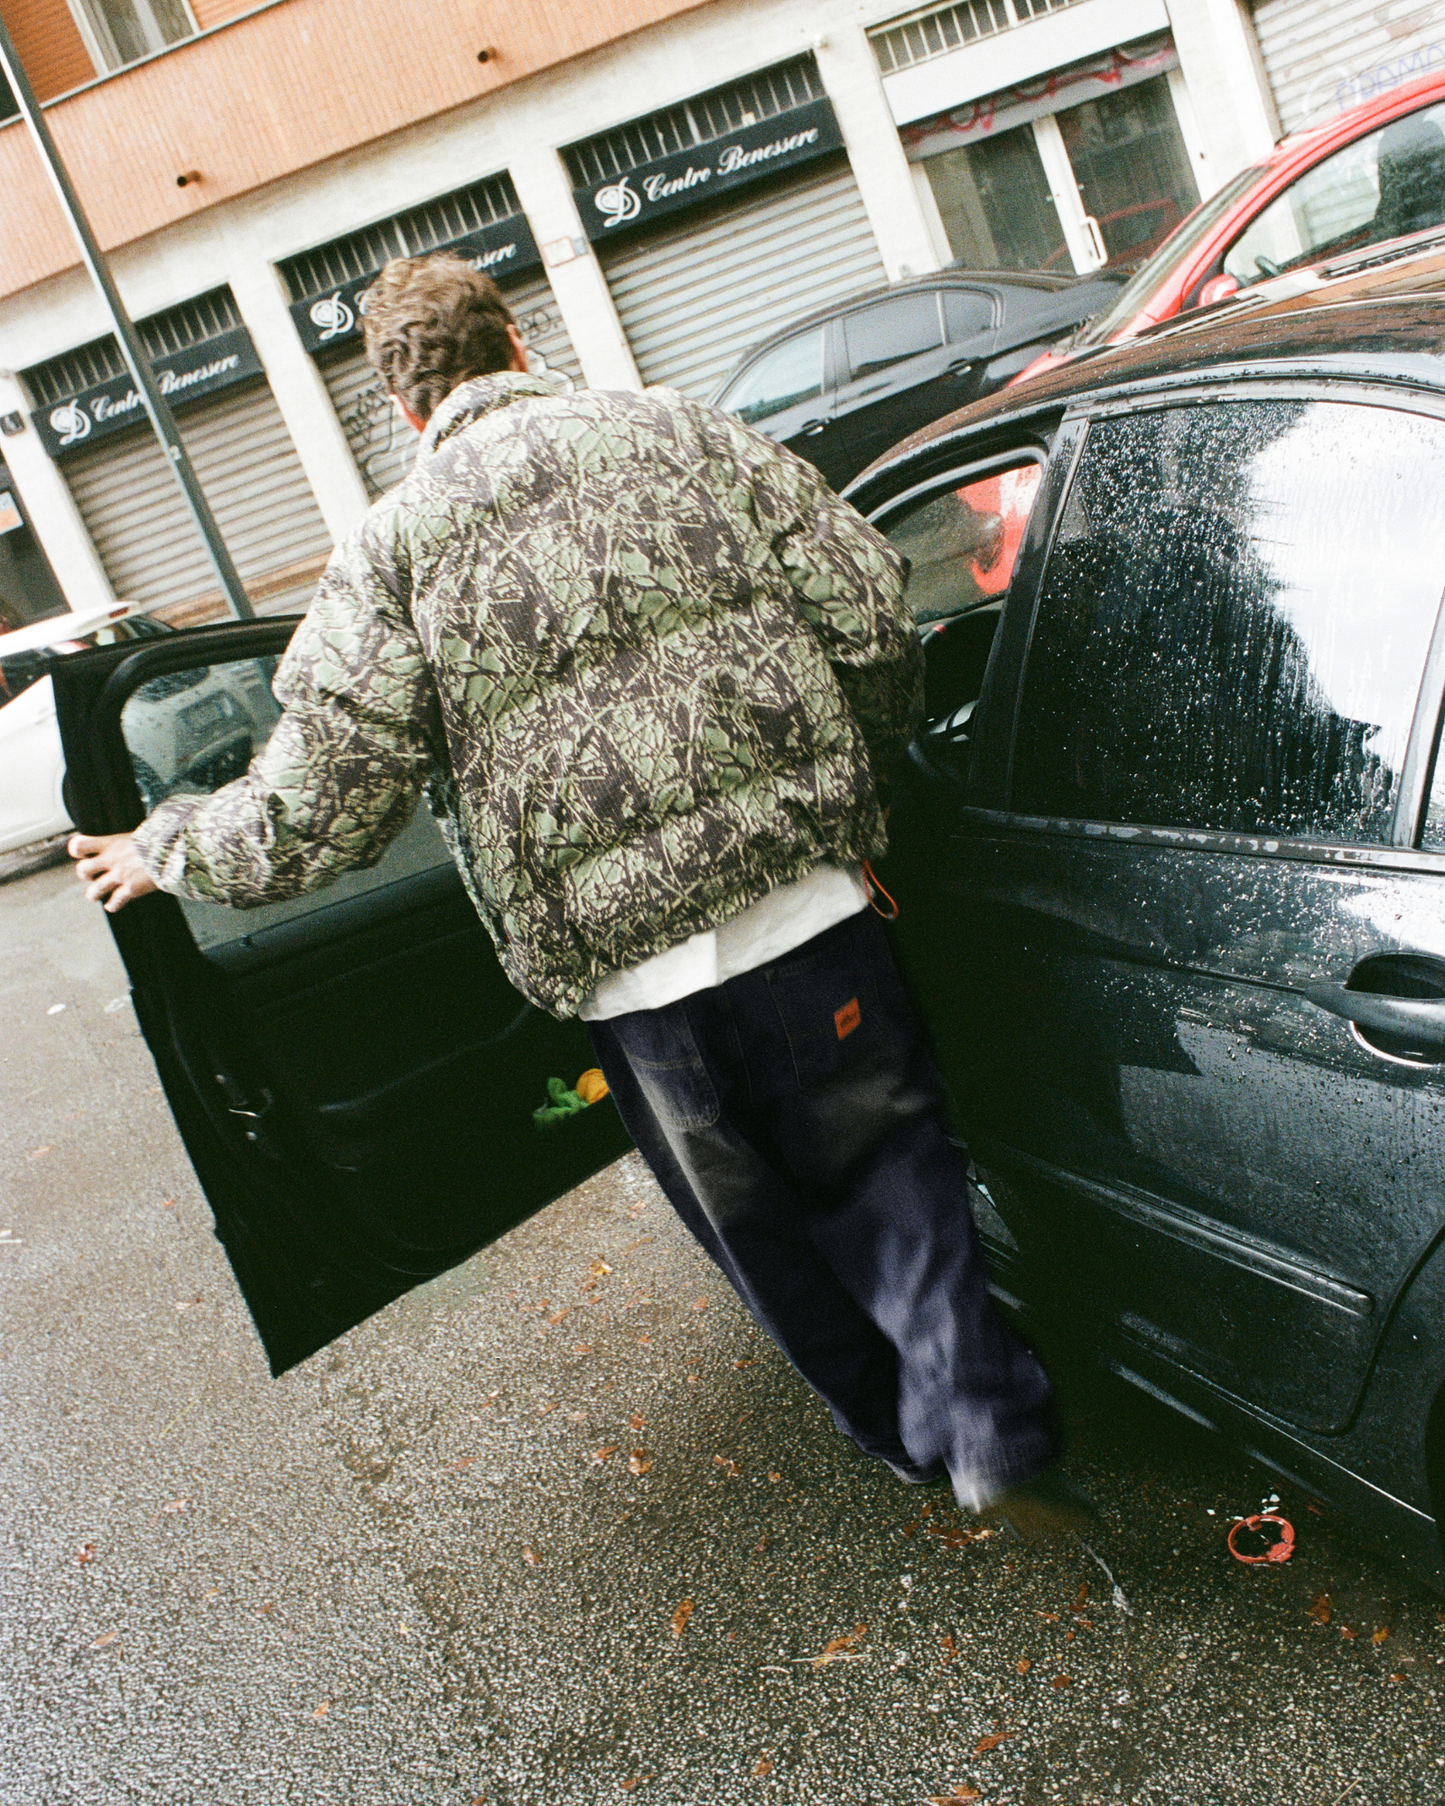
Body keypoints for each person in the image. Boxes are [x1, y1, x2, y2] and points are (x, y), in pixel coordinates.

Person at [71, 253, 1078, 1530]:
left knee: (758, 1234)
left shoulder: (389, 554)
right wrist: (861, 786)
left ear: (398, 403)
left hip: (640, 993)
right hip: (809, 910)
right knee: (891, 1163)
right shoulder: (682, 431)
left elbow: (318, 802)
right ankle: (986, 1420)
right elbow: (869, 610)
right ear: (520, 343)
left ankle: (905, 1444)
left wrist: (164, 849)